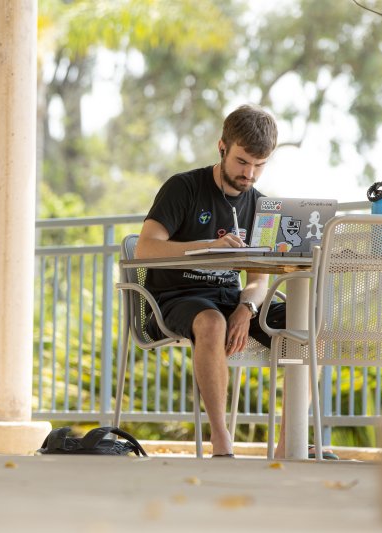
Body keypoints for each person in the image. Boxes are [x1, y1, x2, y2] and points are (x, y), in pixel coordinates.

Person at [135, 104, 287, 458]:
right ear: (222, 147)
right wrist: (209, 247)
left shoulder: (263, 207)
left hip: (232, 301)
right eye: (241, 161)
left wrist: (247, 308)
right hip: (176, 297)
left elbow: (258, 279)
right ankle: (222, 441)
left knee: (306, 325)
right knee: (211, 321)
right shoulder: (183, 188)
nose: (249, 174)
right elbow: (145, 248)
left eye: (259, 165)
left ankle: (288, 442)